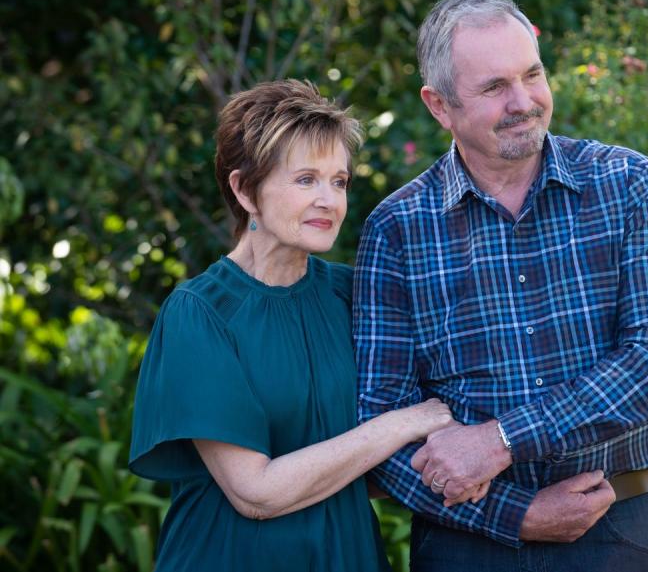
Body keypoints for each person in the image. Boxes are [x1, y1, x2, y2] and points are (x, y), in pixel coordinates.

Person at [354, 0, 648, 571]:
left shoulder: (625, 183)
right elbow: (379, 424)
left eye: (532, 75)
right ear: (440, 106)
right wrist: (515, 514)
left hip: (615, 527)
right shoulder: (397, 229)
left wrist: (500, 440)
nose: (524, 102)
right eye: (493, 88)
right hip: (466, 544)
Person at [129, 79, 455, 572]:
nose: (329, 200)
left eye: (339, 181)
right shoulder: (199, 313)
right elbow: (255, 493)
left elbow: (383, 467)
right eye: (306, 180)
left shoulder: (352, 293)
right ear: (244, 189)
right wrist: (402, 423)